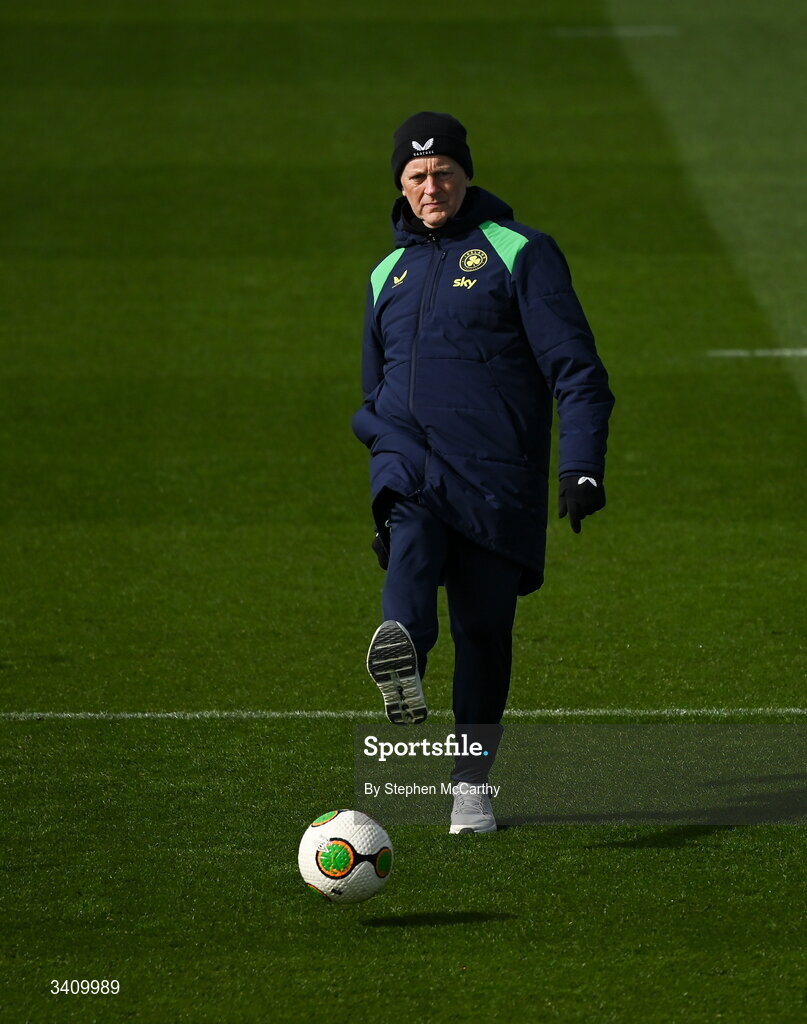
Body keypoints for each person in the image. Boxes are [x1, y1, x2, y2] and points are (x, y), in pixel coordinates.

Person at [352, 112, 614, 834]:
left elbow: (577, 371)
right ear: (399, 188)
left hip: (498, 475)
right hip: (410, 464)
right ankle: (401, 655)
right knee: (408, 549)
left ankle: (470, 783)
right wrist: (381, 462)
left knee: (485, 627)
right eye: (415, 178)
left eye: (442, 174)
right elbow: (373, 390)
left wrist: (582, 466)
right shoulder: (386, 273)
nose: (429, 187)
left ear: (466, 174)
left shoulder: (520, 252)